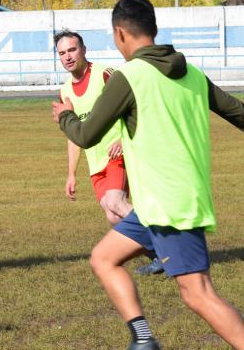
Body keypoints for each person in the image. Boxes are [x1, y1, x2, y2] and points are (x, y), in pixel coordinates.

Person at [51, 0, 244, 350]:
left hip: (169, 205)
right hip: (159, 201)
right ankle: (142, 338)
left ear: (120, 34)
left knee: (197, 294)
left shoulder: (130, 77)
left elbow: (88, 133)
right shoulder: (192, 74)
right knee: (104, 258)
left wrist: (64, 116)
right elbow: (238, 111)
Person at [54, 30, 163, 275]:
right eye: (62, 53)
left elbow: (137, 104)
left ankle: (171, 248)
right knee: (113, 216)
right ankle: (159, 254)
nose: (68, 56)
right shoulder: (65, 92)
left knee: (117, 203)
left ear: (83, 49)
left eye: (72, 49)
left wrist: (125, 140)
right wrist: (71, 174)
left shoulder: (105, 74)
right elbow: (74, 134)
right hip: (96, 163)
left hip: (118, 153)